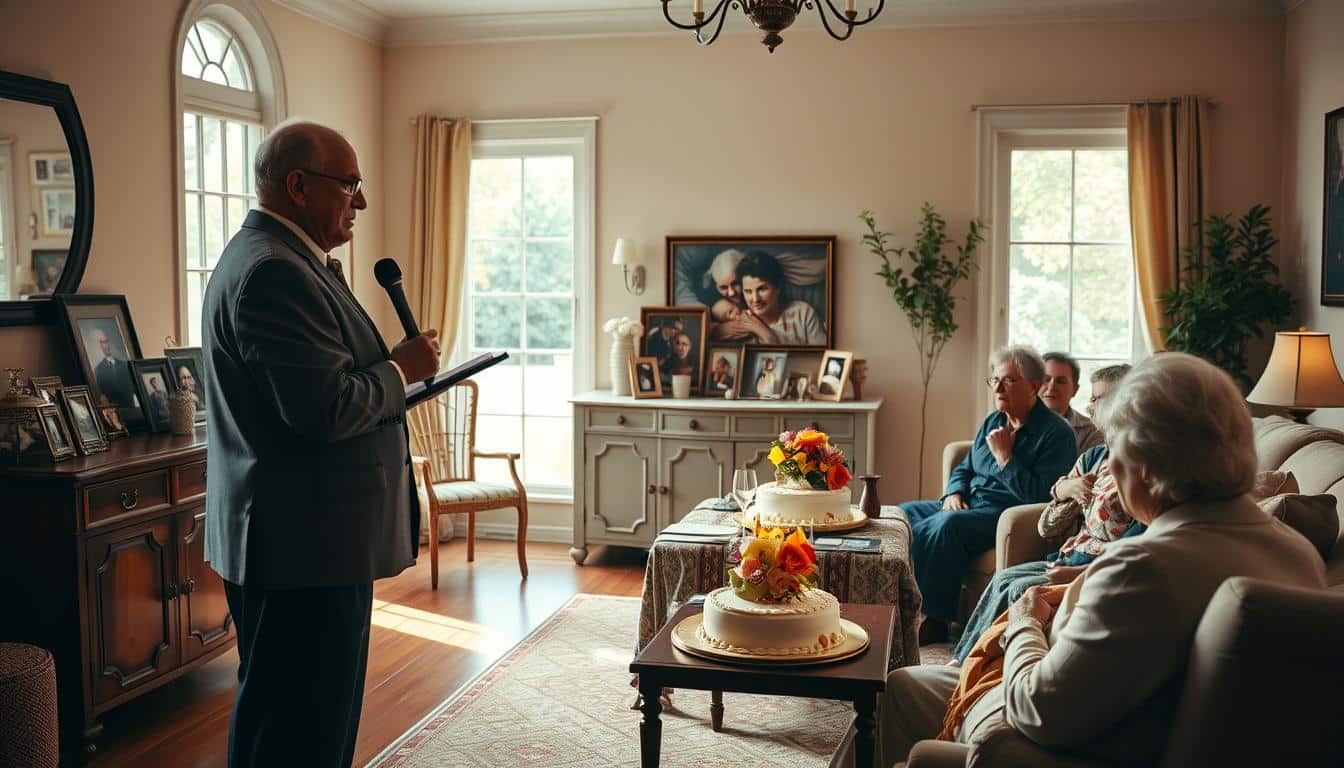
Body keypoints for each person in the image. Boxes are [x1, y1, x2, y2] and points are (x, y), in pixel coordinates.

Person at [854, 353, 1327, 767]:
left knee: (902, 689)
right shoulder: (1298, 554)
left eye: (1118, 454)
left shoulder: (1141, 569)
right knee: (907, 684)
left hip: (1056, 735)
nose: (1111, 469)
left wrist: (1024, 622)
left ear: (1145, 467)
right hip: (1114, 712)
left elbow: (1037, 710)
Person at [201, 120, 440, 768]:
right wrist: (399, 371)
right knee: (298, 729)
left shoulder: (285, 259)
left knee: (292, 717)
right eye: (349, 185)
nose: (361, 201)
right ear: (299, 186)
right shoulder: (274, 272)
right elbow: (324, 409)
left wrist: (392, 374)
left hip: (306, 540)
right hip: (304, 545)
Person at [950, 363, 1134, 664]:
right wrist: (1065, 490)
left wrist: (1082, 572)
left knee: (1020, 587)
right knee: (1004, 578)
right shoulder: (1094, 457)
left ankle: (982, 663)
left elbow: (1137, 542)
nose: (1089, 406)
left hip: (1095, 565)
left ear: (1121, 402)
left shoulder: (1140, 466)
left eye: (1096, 398)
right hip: (1068, 555)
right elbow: (1046, 527)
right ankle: (963, 661)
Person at [895, 345, 1077, 641]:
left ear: (1034, 386)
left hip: (1004, 512)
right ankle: (899, 605)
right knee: (903, 514)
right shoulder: (993, 421)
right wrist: (953, 493)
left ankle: (934, 618)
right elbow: (965, 467)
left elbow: (1042, 496)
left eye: (1009, 380)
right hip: (969, 503)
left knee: (946, 525)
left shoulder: (1056, 433)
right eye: (995, 380)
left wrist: (1006, 459)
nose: (998, 388)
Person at [736, 251, 826, 346]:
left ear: (778, 287)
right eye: (748, 291)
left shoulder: (803, 313)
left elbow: (824, 353)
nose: (755, 299)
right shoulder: (738, 327)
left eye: (762, 289)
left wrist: (767, 336)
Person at [1039, 352, 1103, 452]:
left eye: (1060, 381)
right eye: (1046, 379)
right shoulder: (1015, 425)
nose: (1051, 387)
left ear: (1075, 389)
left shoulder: (1092, 432)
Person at [90, 326, 136, 407]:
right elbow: (101, 394)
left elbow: (133, 388)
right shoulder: (98, 370)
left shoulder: (124, 365)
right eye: (102, 342)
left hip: (130, 406)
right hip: (114, 409)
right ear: (99, 346)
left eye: (107, 341)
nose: (106, 345)